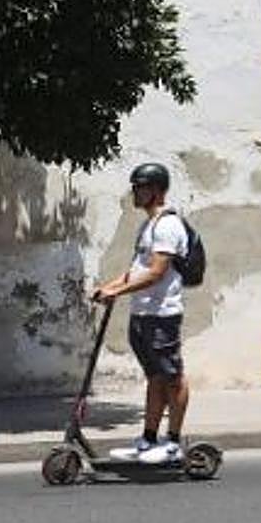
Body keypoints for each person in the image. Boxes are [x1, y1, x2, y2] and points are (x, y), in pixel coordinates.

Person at [92, 162, 190, 464]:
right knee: (155, 377)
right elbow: (137, 270)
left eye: (141, 187)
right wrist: (107, 287)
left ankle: (172, 442)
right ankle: (148, 440)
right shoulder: (148, 225)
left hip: (162, 314)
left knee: (173, 377)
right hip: (143, 313)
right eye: (134, 187)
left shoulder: (168, 225)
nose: (135, 192)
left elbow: (156, 274)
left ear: (156, 190)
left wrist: (117, 293)